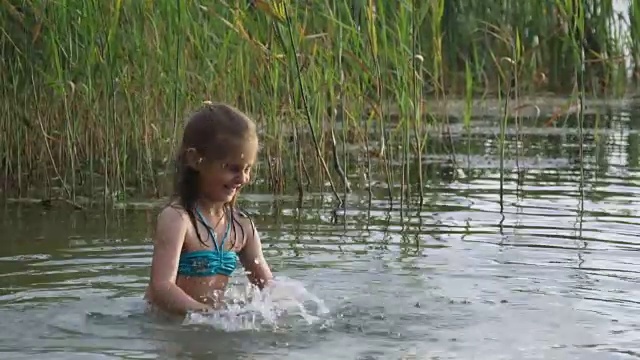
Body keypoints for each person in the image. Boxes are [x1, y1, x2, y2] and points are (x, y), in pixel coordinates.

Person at [145, 102, 274, 316]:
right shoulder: (178, 219)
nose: (242, 178)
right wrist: (210, 314)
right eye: (232, 168)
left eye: (247, 169)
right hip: (167, 330)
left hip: (206, 323)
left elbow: (266, 285)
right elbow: (161, 288)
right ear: (195, 160)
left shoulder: (241, 226)